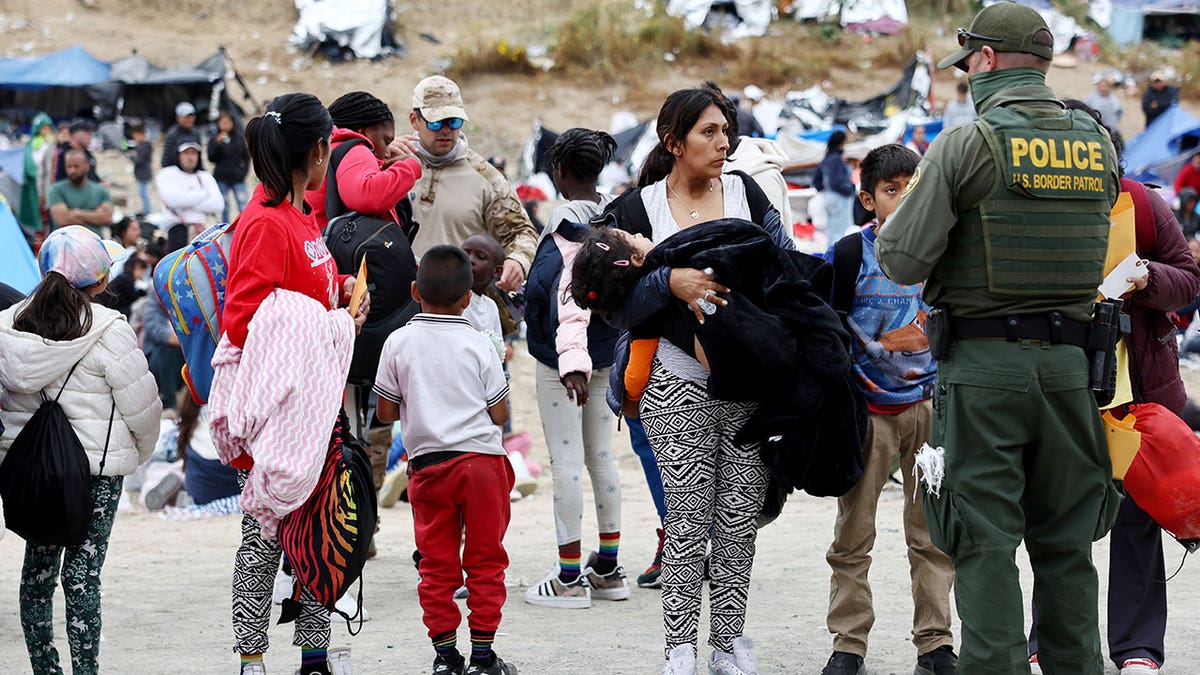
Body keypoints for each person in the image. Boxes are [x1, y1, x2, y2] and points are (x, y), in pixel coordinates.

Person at [875, 4, 1122, 673]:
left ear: (984, 60)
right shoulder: (1099, 141)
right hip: (1073, 369)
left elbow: (899, 259)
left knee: (984, 544)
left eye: (968, 65)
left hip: (984, 372)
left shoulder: (967, 143)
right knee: (1068, 546)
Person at [595, 86, 798, 675]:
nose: (723, 142)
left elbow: (785, 273)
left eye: (725, 131)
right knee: (687, 522)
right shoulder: (635, 212)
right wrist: (670, 283)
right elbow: (612, 304)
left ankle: (728, 644)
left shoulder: (747, 193)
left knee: (738, 519)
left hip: (748, 383)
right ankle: (679, 647)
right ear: (673, 142)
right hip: (674, 381)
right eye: (708, 132)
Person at [1025, 100, 1200, 675]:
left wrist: (1147, 276)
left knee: (1139, 524)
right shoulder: (1034, 207)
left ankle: (1138, 652)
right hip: (1060, 389)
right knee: (1058, 521)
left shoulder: (1144, 204)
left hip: (1142, 390)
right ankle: (1046, 639)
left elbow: (1188, 280)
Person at [218, 93, 364, 675]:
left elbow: (297, 298)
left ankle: (315, 658)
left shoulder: (302, 216)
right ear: (318, 150)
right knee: (264, 538)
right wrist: (333, 321)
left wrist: (341, 292)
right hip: (277, 408)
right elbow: (245, 320)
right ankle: (252, 661)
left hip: (314, 402)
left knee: (318, 535)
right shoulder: (263, 222)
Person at [0, 226, 162, 675]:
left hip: (29, 471)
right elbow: (143, 411)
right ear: (100, 279)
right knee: (82, 577)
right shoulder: (110, 329)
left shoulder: (7, 326)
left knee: (37, 574)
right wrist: (137, 454)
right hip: (96, 473)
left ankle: (44, 671)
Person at [820, 144, 956, 675]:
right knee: (854, 535)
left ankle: (936, 644)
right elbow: (826, 327)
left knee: (931, 535)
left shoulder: (944, 252)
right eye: (890, 190)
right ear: (867, 199)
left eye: (911, 188)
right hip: (868, 414)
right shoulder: (850, 254)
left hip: (929, 411)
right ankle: (848, 646)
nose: (901, 200)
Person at [373, 245, 517, 675]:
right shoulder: (477, 343)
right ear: (468, 299)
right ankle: (484, 657)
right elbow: (500, 414)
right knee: (486, 559)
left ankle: (446, 657)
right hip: (482, 464)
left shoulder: (397, 342)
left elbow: (384, 413)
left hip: (429, 465)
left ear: (415, 291)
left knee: (435, 564)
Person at [523, 128, 626, 609]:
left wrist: (570, 363)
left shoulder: (567, 234)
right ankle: (608, 568)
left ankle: (568, 578)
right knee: (601, 457)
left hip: (567, 366)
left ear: (559, 173)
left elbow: (568, 303)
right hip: (607, 356)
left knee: (566, 462)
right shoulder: (612, 225)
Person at [406, 75, 538, 292]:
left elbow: (522, 232)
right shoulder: (391, 163)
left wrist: (517, 261)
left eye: (454, 121)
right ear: (414, 120)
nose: (446, 130)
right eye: (436, 122)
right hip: (398, 303)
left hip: (457, 305)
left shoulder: (486, 177)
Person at [306, 90, 422, 229]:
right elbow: (366, 197)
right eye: (386, 141)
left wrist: (380, 168)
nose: (386, 152)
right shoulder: (357, 149)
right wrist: (410, 166)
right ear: (364, 132)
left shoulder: (326, 147)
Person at [156, 139, 224, 251]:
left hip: (203, 229)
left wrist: (186, 201)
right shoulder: (166, 174)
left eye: (194, 153)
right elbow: (174, 200)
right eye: (186, 153)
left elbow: (218, 204)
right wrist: (203, 194)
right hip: (177, 229)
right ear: (178, 155)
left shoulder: (205, 177)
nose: (190, 157)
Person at [46, 149, 114, 236]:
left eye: (76, 166)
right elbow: (62, 220)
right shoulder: (56, 189)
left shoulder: (101, 191)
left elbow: (107, 218)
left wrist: (76, 213)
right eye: (69, 166)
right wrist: (95, 216)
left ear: (87, 166)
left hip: (94, 246)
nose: (72, 171)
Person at [208, 111, 251, 223]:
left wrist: (243, 172)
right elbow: (211, 158)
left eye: (228, 122)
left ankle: (245, 225)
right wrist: (217, 145)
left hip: (238, 178)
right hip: (221, 177)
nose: (225, 125)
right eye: (223, 122)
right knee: (224, 207)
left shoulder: (239, 138)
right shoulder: (214, 139)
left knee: (243, 205)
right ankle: (224, 230)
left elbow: (246, 157)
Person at [815, 130, 856, 244]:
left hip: (828, 197)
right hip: (839, 198)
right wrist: (851, 189)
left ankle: (831, 258)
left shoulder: (826, 159)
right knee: (840, 232)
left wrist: (825, 192)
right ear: (841, 142)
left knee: (832, 231)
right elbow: (837, 182)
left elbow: (816, 181)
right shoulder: (836, 160)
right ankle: (837, 259)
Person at [162, 101, 199, 169]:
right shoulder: (172, 135)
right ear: (178, 118)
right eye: (186, 117)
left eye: (192, 116)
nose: (190, 119)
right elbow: (166, 160)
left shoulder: (195, 133)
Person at [127, 122, 154, 215]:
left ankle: (148, 211)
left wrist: (132, 157)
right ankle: (146, 210)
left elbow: (139, 160)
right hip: (142, 173)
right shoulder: (142, 145)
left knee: (144, 193)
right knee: (142, 193)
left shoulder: (145, 146)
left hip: (144, 173)